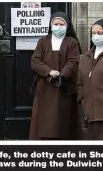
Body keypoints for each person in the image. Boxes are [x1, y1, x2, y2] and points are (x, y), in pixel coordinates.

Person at [29, 11, 82, 140]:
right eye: (55, 24)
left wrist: (62, 74)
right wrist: (49, 71)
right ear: (51, 25)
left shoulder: (72, 42)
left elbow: (73, 61)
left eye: (61, 24)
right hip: (45, 86)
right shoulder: (43, 41)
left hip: (64, 85)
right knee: (44, 117)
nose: (58, 27)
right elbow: (35, 61)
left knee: (62, 118)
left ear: (67, 26)